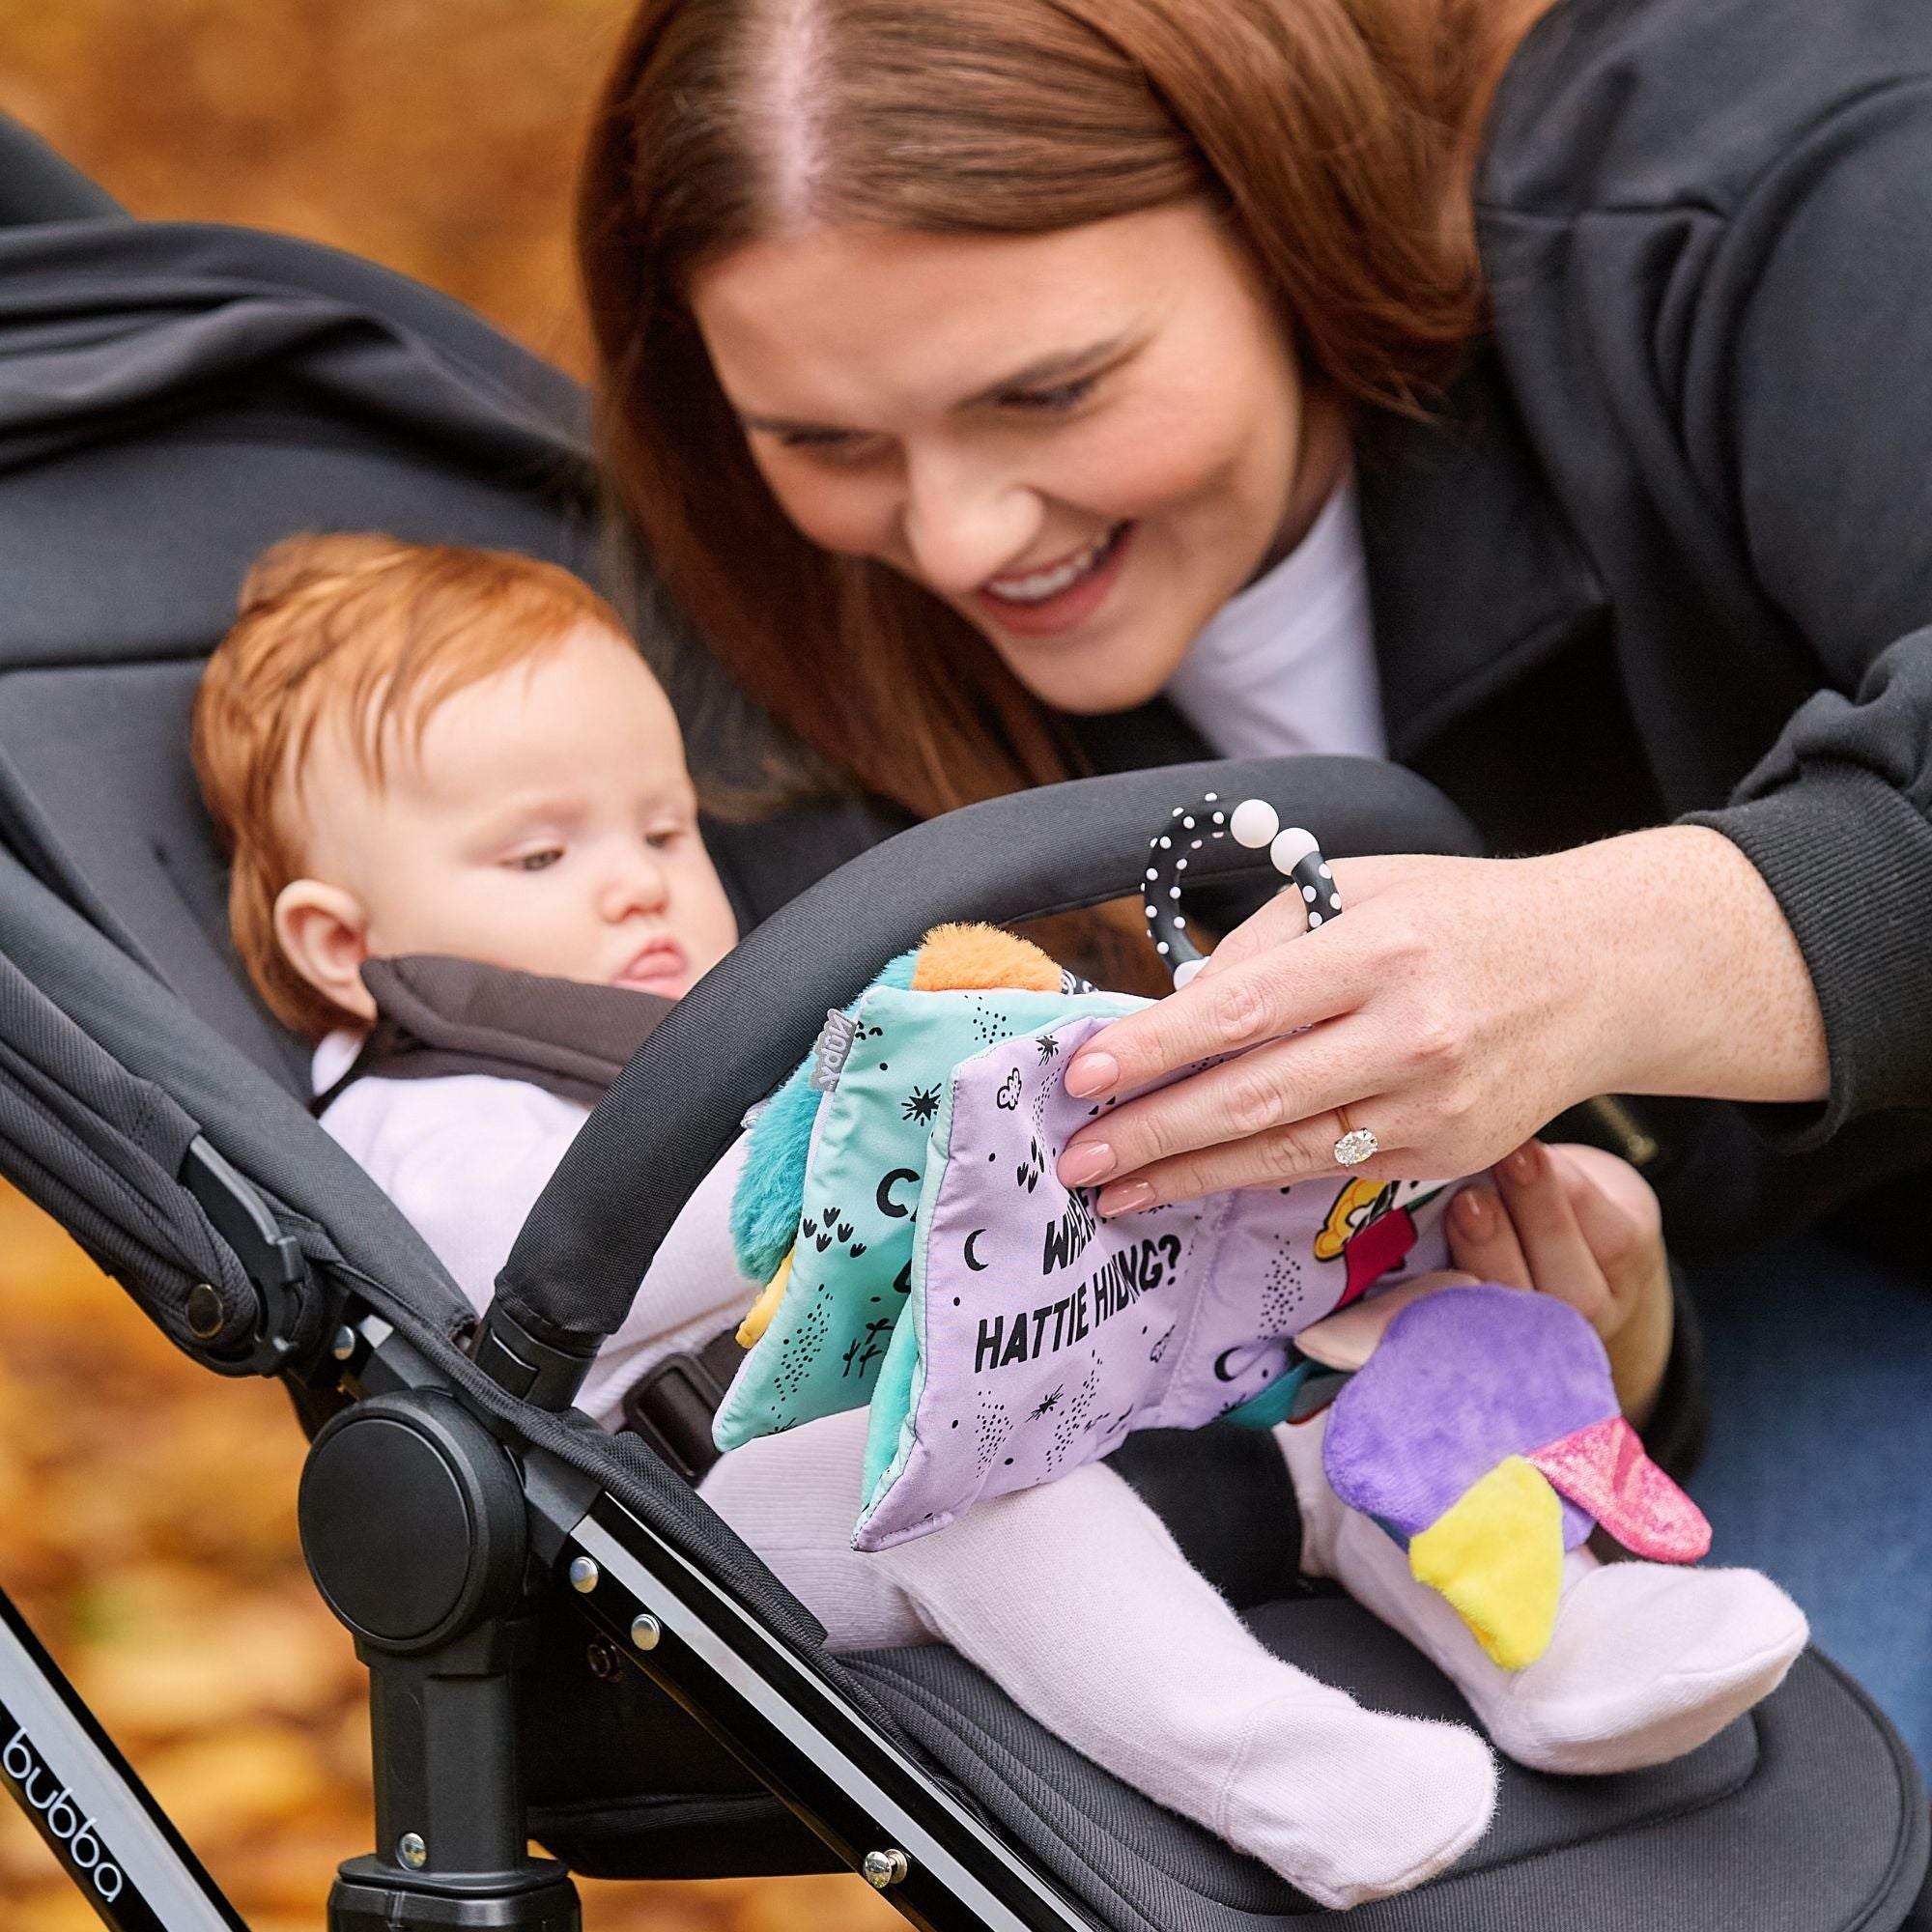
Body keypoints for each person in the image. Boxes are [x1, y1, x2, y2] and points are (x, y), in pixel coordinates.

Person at [572, 0, 1932, 1767]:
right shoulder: (766, 618)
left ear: (1289, 202)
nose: (965, 534)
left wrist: (1620, 952)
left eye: (1049, 392)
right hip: (1600, 1385)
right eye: (828, 442)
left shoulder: (1758, 195)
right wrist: (1611, 1344)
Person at [190, 530, 1801, 1906]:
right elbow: (532, 1279)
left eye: (665, 829)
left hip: (1018, 1372)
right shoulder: (431, 1106)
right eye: (543, 850)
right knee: (975, 1487)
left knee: (1356, 1372)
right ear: (346, 944)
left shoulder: (725, 1023)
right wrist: (857, 1144)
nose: (637, 883)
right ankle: (1268, 1758)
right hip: (696, 1505)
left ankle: (1560, 1645)